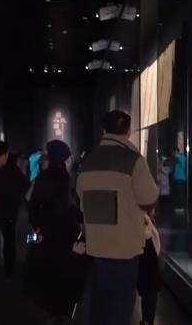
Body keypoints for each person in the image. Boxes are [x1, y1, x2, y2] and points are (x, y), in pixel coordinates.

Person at [76, 110, 158, 325]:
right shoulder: (134, 160)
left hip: (97, 247)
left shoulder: (88, 160)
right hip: (125, 249)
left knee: (99, 306)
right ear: (128, 131)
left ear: (104, 130)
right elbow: (149, 198)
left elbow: (80, 197)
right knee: (120, 308)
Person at [25, 140, 85, 322]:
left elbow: (32, 205)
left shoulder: (41, 177)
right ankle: (61, 311)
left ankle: (51, 310)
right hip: (61, 234)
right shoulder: (64, 179)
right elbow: (63, 211)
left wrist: (38, 228)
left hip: (43, 233)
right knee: (63, 273)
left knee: (47, 272)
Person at [0, 147, 30, 275]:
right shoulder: (14, 171)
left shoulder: (4, 171)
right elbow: (25, 183)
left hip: (5, 209)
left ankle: (8, 267)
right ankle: (9, 266)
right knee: (10, 238)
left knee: (8, 238)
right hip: (11, 209)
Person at [173, 132, 187, 214]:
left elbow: (183, 165)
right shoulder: (176, 159)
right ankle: (179, 207)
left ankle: (182, 207)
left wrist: (177, 155)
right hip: (176, 178)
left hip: (181, 178)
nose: (174, 154)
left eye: (175, 152)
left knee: (181, 193)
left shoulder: (181, 157)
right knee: (177, 193)